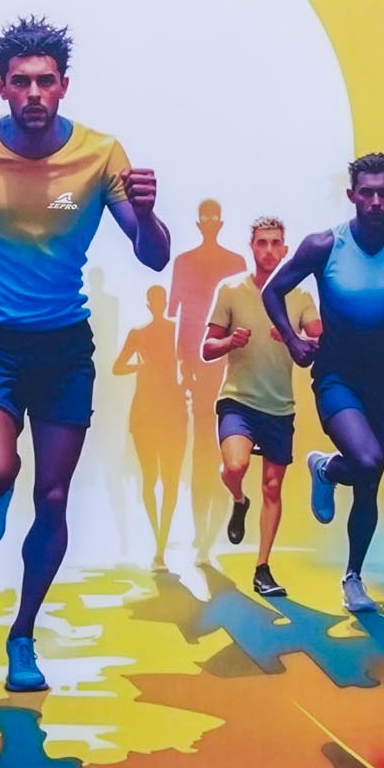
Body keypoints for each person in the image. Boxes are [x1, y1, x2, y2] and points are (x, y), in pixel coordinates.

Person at [0, 17, 169, 694]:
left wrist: (149, 214)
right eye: (22, 82)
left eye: (46, 81)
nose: (35, 93)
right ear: (2, 87)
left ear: (64, 85)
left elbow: (154, 256)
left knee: (54, 496)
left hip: (64, 345)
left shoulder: (101, 155)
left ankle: (22, 633)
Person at [265, 154, 384, 615]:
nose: (374, 201)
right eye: (366, 193)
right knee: (366, 460)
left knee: (370, 481)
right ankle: (330, 469)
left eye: (383, 193)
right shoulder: (324, 244)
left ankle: (352, 576)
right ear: (351, 195)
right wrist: (292, 340)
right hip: (336, 374)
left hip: (381, 379)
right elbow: (273, 290)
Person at [202, 214, 304, 601]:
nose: (269, 250)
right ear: (252, 248)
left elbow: (320, 341)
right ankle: (239, 500)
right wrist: (230, 342)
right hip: (238, 400)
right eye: (262, 243)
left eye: (276, 243)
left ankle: (262, 568)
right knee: (235, 467)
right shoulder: (231, 289)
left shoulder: (300, 296)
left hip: (279, 406)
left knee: (273, 487)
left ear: (285, 249)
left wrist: (292, 337)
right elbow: (206, 348)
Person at [167, 199, 249, 551]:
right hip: (199, 371)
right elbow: (180, 316)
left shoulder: (236, 263)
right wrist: (182, 366)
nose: (211, 221)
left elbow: (247, 314)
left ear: (220, 222)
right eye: (206, 216)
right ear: (200, 223)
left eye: (215, 216)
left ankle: (213, 531)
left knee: (227, 451)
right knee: (203, 449)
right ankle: (202, 533)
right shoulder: (184, 263)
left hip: (232, 368)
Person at [112, 284, 190, 568]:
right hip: (147, 412)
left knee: (168, 479)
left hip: (171, 410)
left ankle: (161, 542)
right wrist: (140, 367)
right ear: (150, 304)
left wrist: (185, 383)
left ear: (163, 303)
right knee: (151, 478)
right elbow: (117, 367)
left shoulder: (175, 331)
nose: (157, 304)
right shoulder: (139, 334)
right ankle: (159, 539)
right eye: (154, 301)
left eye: (160, 300)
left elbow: (189, 364)